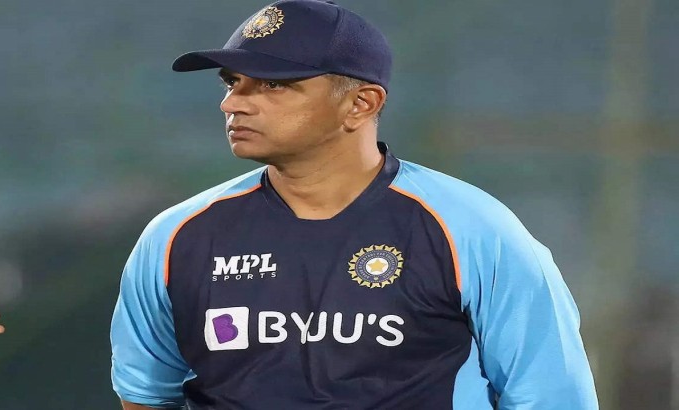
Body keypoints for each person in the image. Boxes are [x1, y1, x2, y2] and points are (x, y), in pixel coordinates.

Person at [110, 0, 599, 408]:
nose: (233, 103)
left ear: (361, 104)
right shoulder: (177, 236)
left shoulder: (473, 229)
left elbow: (551, 396)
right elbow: (145, 395)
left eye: (273, 84)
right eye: (231, 82)